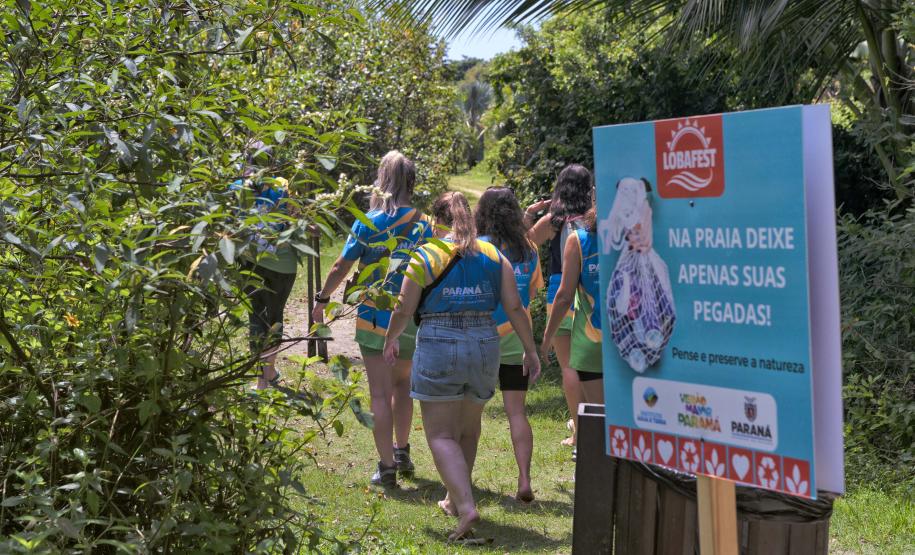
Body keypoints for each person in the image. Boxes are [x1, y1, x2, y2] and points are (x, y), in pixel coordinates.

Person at [383, 192, 540, 541]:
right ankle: (455, 502)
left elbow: (404, 308)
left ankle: (466, 505)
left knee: (440, 434)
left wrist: (391, 338)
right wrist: (531, 350)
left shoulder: (427, 253)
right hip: (485, 342)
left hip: (439, 340)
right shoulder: (493, 254)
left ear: (436, 222)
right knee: (469, 430)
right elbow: (515, 307)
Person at [312, 151, 432, 487]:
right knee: (403, 387)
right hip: (410, 316)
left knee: (379, 393)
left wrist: (322, 299)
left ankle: (386, 466)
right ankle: (402, 450)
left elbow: (341, 266)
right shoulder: (423, 224)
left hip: (374, 316)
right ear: (411, 182)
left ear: (383, 180)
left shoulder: (370, 222)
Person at [474, 187, 544, 503]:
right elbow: (530, 292)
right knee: (517, 412)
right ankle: (525, 479)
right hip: (518, 338)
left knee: (471, 413)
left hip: (483, 336)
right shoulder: (529, 250)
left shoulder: (478, 249)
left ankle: (463, 482)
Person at [524, 164, 594, 448]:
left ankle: (579, 432)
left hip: (560, 293)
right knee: (593, 367)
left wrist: (530, 214)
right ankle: (593, 423)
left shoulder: (555, 221)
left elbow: (528, 242)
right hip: (590, 294)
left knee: (569, 367)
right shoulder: (595, 220)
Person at [231, 142, 298, 390]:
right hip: (283, 263)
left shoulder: (237, 187)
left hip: (251, 261)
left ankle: (263, 378)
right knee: (274, 317)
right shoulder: (281, 186)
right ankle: (266, 375)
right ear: (271, 163)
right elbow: (292, 219)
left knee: (256, 317)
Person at [541, 196, 604, 406]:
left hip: (592, 343)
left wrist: (548, 336)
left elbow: (564, 296)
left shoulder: (579, 240)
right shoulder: (637, 236)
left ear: (595, 196)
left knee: (599, 417)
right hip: (632, 344)